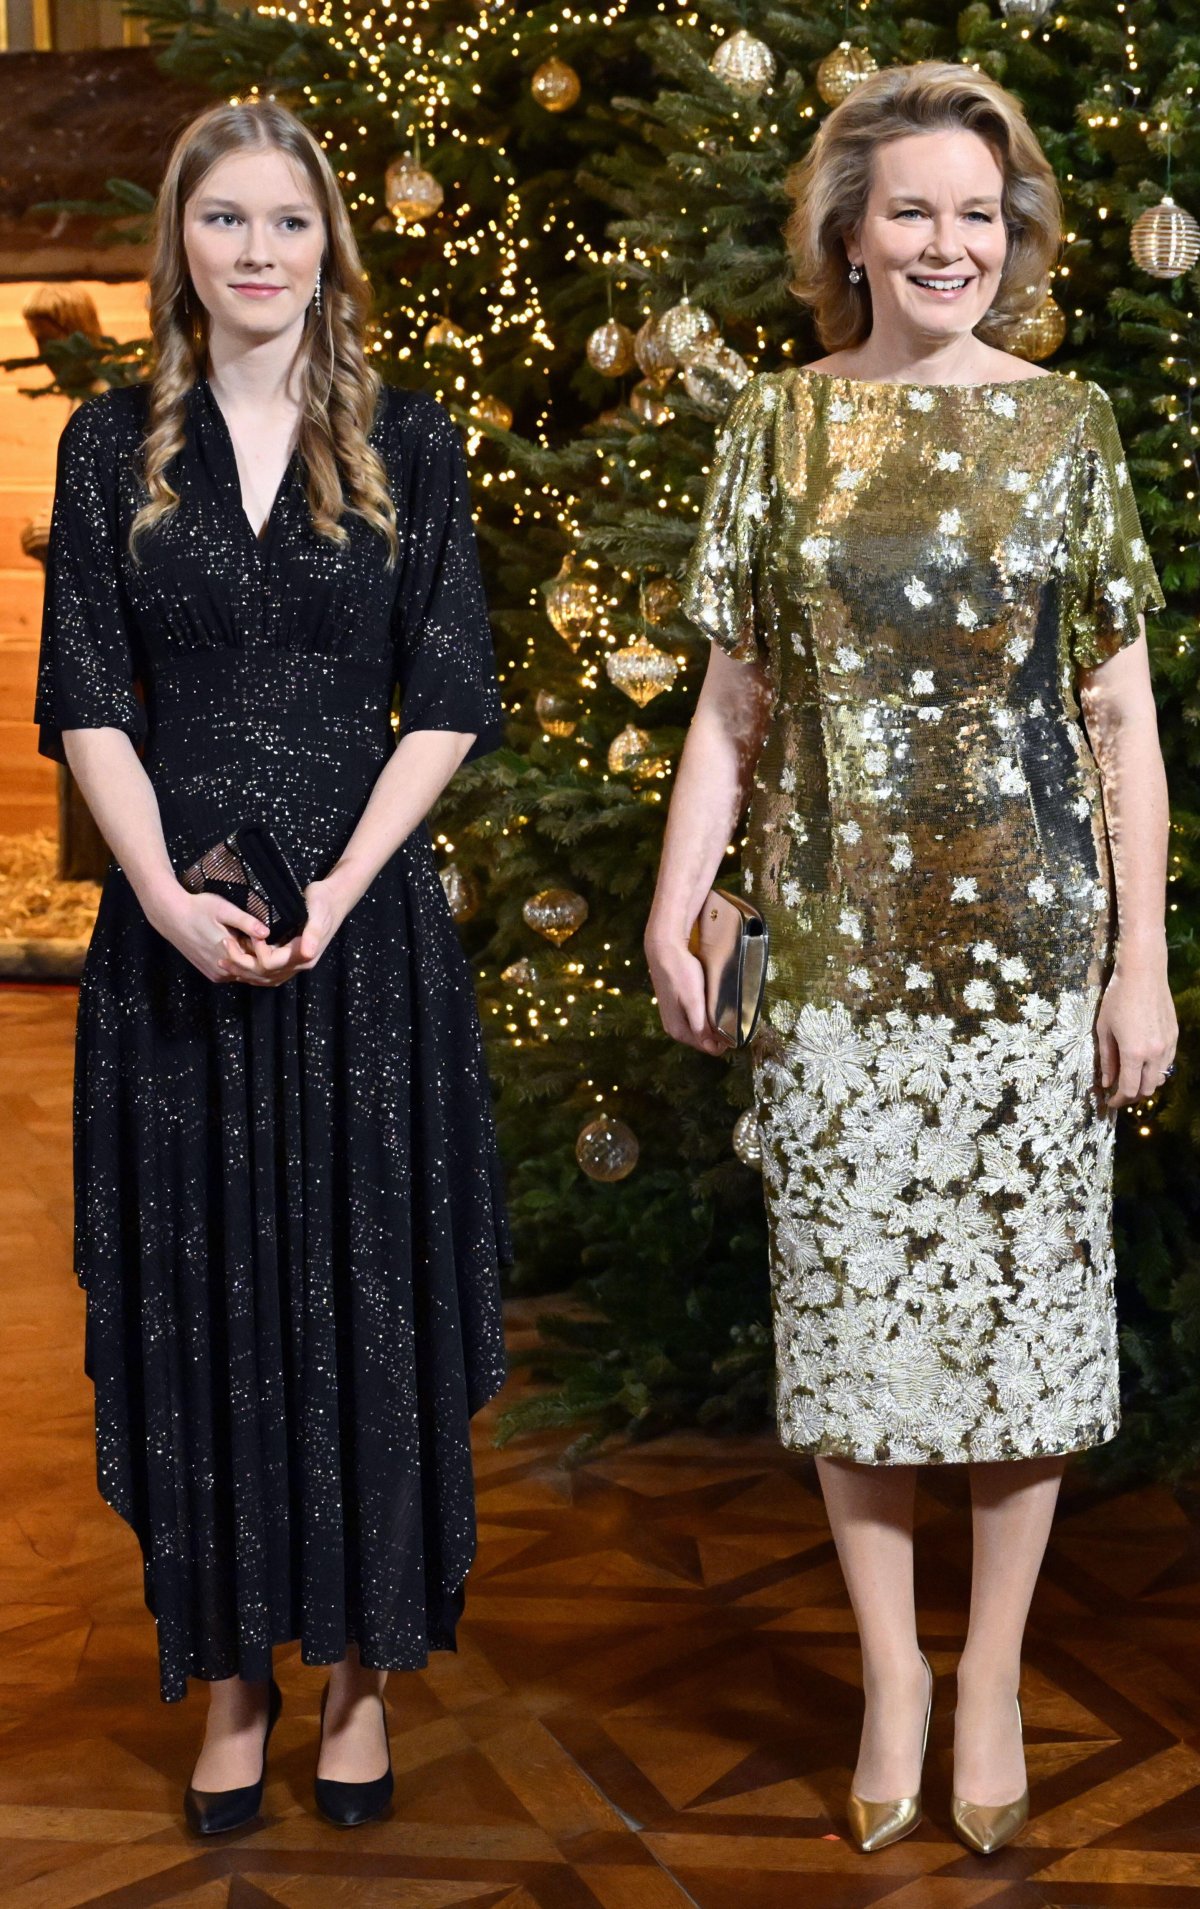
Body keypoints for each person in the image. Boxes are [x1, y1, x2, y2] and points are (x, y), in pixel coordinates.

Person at [645, 60, 1176, 1858]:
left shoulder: (1071, 425)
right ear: (850, 233)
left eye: (977, 212)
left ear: (1005, 237)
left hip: (1033, 954)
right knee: (855, 1333)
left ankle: (1000, 1669)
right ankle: (893, 1672)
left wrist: (1144, 960)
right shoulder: (777, 431)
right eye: (912, 210)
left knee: (1024, 1338)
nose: (947, 240)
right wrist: (676, 897)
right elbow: (731, 705)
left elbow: (1123, 715)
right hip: (834, 953)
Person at [33, 97, 512, 1835]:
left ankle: (362, 1677)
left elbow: (449, 692)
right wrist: (159, 891)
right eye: (225, 221)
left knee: (360, 1298)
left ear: (330, 246)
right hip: (174, 945)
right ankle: (233, 1677)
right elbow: (84, 692)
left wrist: (352, 889)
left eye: (287, 223)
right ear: (183, 244)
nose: (257, 252)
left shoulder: (413, 438)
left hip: (361, 945)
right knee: (213, 1297)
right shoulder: (109, 448)